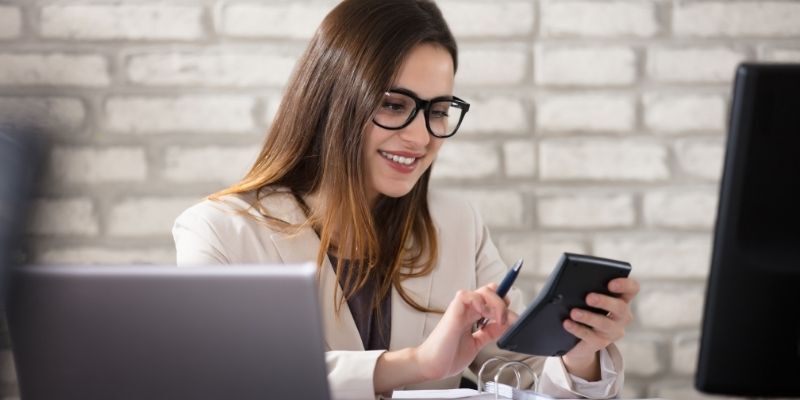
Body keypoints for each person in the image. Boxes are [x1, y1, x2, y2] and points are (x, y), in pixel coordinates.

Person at [173, 0, 640, 398]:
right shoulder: (219, 232)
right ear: (333, 101)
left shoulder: (458, 225)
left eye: (438, 111)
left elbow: (524, 379)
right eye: (394, 105)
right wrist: (417, 364)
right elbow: (224, 380)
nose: (421, 136)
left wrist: (578, 354)